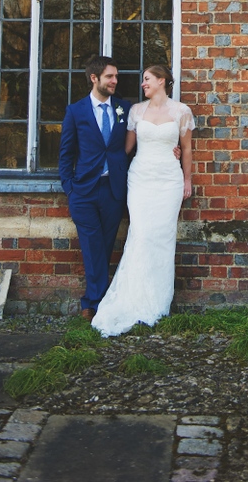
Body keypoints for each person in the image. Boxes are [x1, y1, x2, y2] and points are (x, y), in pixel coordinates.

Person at [91, 65, 194, 337]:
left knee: (163, 236)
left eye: (147, 79)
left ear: (162, 81)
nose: (143, 84)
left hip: (169, 180)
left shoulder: (181, 112)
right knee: (142, 234)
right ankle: (133, 297)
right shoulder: (136, 111)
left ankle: (158, 302)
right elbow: (125, 148)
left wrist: (187, 180)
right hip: (140, 179)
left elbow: (186, 149)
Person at [58, 55, 132, 321]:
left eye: (116, 76)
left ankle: (98, 299)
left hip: (113, 190)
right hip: (84, 191)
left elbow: (138, 139)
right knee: (91, 245)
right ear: (94, 78)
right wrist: (70, 188)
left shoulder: (124, 108)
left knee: (106, 245)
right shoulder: (75, 112)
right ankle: (94, 302)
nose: (115, 81)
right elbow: (66, 154)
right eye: (110, 76)